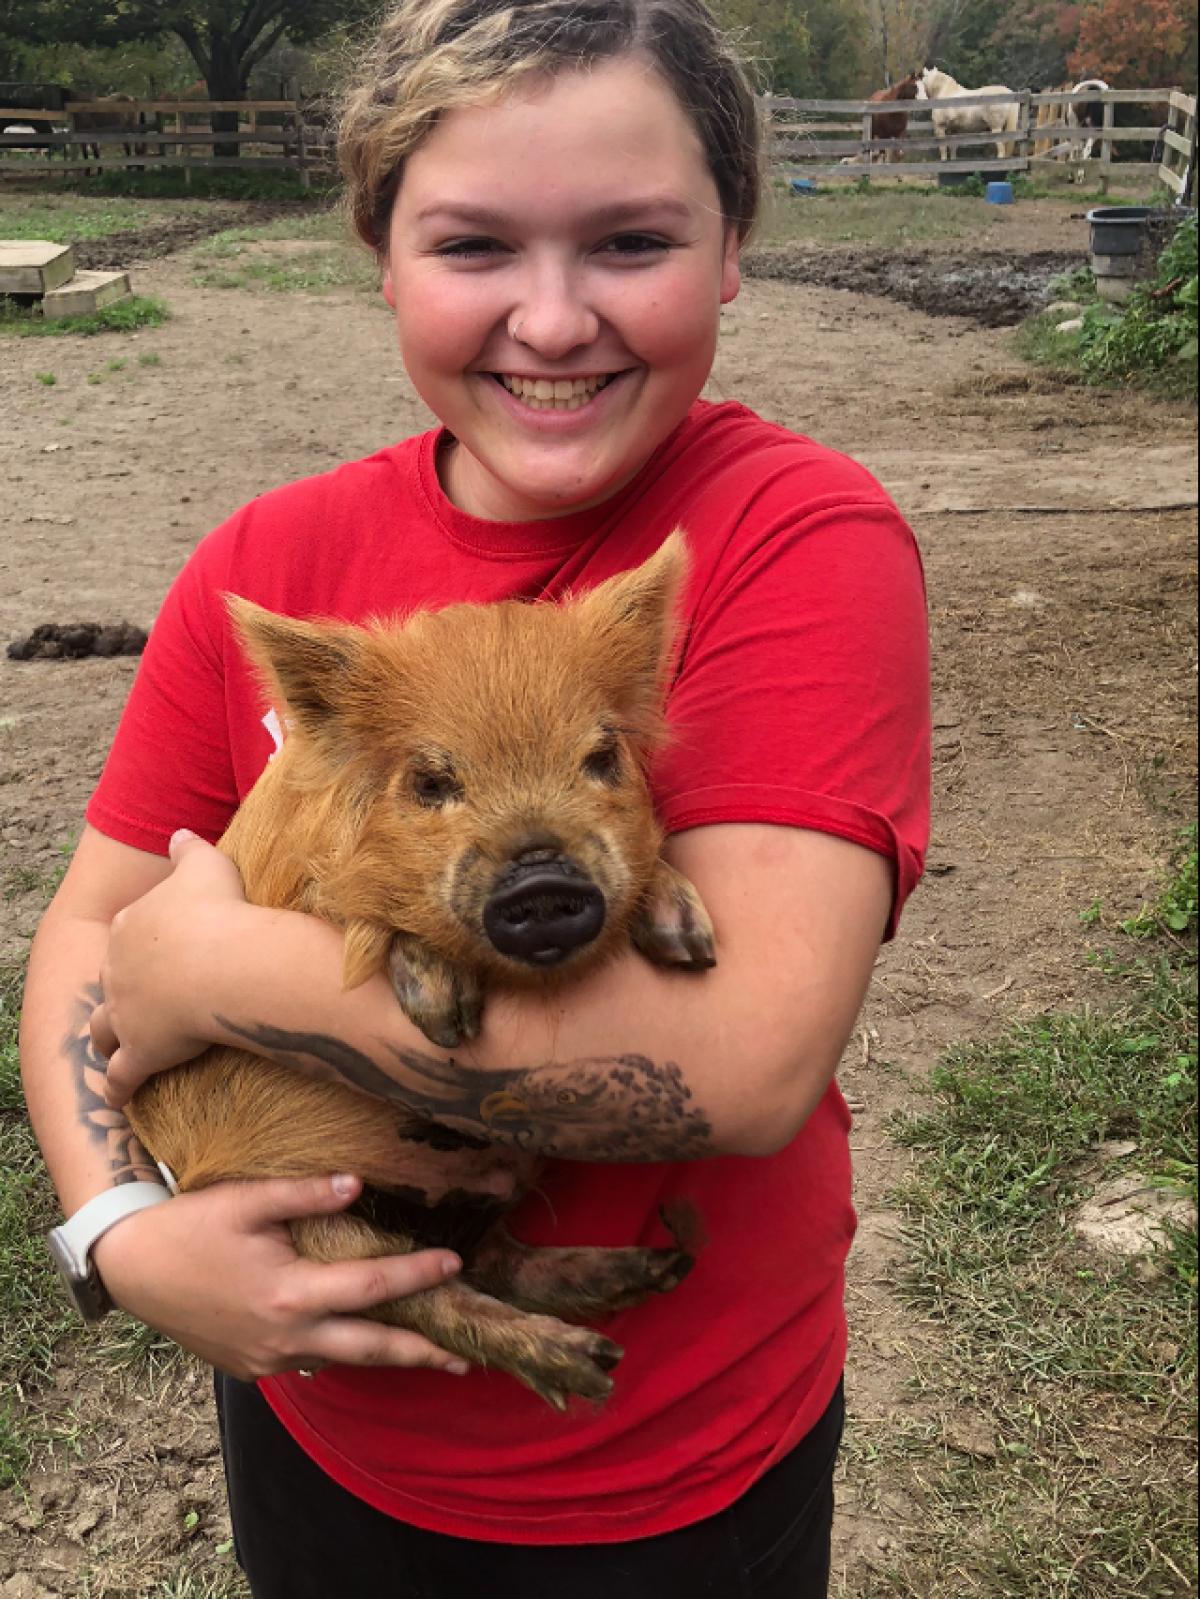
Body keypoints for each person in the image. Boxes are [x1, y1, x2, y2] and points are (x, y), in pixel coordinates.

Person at [20, 2, 931, 1594]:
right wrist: (120, 1232)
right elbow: (88, 930)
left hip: (688, 1458)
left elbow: (746, 1064)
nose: (556, 318)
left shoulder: (791, 536)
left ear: (734, 247)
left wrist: (222, 968)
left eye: (633, 240)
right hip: (323, 1424)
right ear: (381, 254)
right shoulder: (266, 570)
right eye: (473, 245)